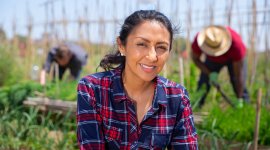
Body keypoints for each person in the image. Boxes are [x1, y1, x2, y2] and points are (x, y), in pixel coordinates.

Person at [77, 10, 198, 149]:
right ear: (122, 46)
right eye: (142, 44)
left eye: (161, 47)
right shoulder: (93, 89)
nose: (152, 56)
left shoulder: (177, 97)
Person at [191, 25, 249, 108]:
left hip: (233, 60)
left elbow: (238, 75)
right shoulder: (200, 40)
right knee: (204, 82)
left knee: (238, 82)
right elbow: (195, 59)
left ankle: (244, 105)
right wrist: (210, 73)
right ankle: (195, 107)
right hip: (212, 61)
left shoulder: (236, 45)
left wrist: (239, 97)